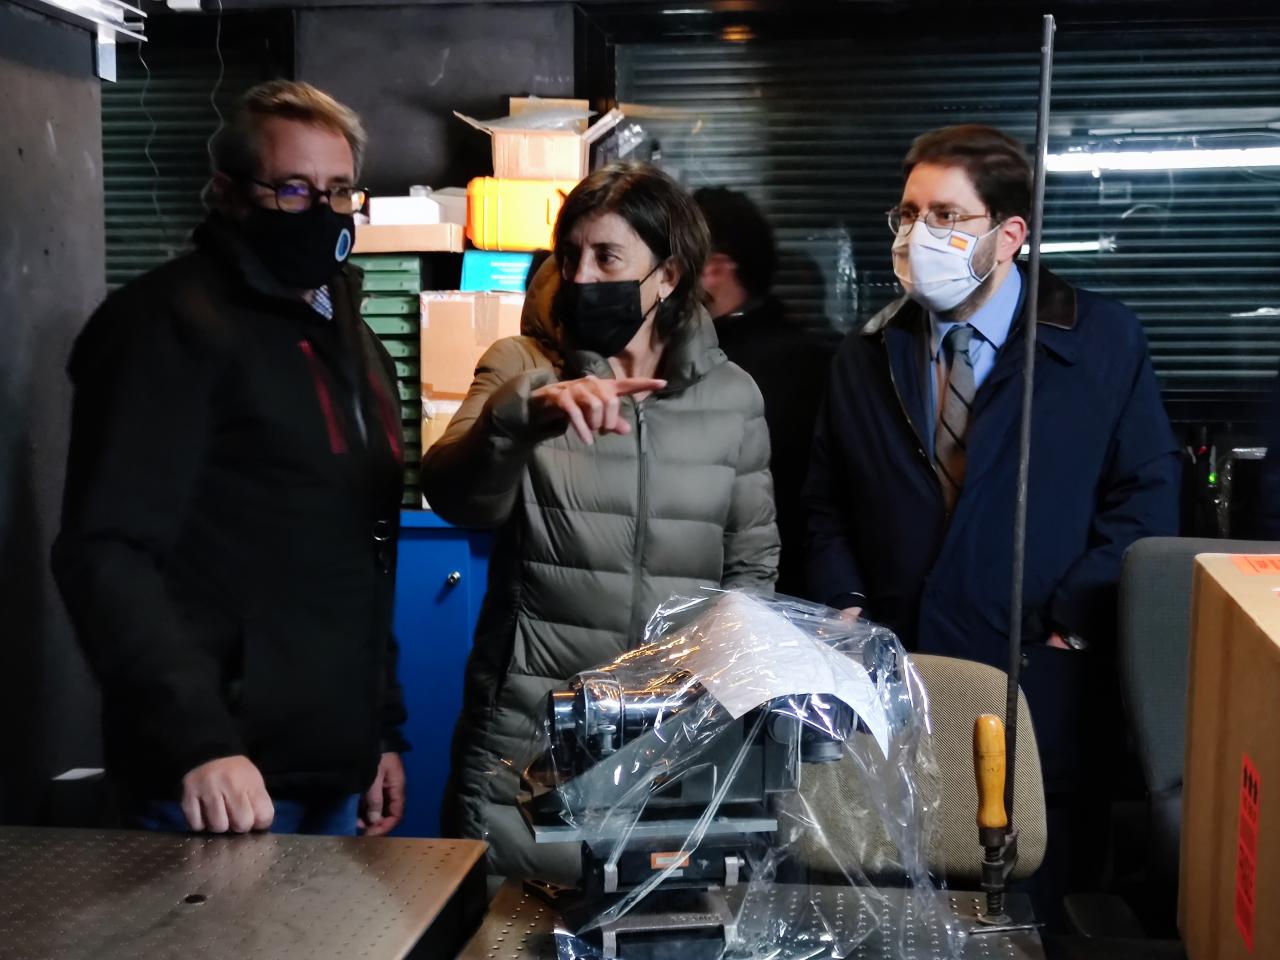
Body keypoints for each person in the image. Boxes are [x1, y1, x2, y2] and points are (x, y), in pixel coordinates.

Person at [803, 124, 1180, 895]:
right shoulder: (866, 355)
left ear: (1010, 235)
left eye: (946, 216)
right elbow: (824, 505)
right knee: (898, 914)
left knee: (1032, 909)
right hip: (896, 689)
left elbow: (1144, 500)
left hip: (1041, 689)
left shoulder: (1100, 343)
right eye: (908, 215)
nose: (917, 235)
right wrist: (845, 606)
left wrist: (1070, 617)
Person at [53, 81, 408, 838]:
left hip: (333, 772)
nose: (322, 210)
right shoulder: (164, 326)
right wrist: (197, 742)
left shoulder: (352, 339)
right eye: (293, 189)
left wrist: (379, 734)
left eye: (339, 191)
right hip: (217, 785)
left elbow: (361, 553)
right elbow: (106, 551)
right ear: (227, 193)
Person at [422, 161, 780, 880]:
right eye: (571, 255)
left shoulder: (733, 397)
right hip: (529, 740)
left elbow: (750, 572)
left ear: (668, 276)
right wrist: (523, 416)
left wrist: (728, 715)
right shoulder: (522, 366)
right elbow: (454, 495)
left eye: (609, 257)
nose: (583, 277)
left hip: (673, 747)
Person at [694, 187, 833, 598]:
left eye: (673, 259)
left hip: (741, 598)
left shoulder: (728, 368)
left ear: (715, 270)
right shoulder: (812, 355)